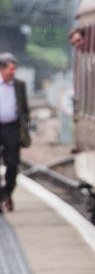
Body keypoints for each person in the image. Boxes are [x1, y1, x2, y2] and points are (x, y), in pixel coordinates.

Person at [0, 52, 29, 212]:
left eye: (14, 69)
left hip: (11, 128)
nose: (13, 72)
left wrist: (26, 128)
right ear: (1, 69)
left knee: (12, 164)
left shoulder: (19, 85)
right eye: (10, 69)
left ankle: (7, 193)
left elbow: (25, 110)